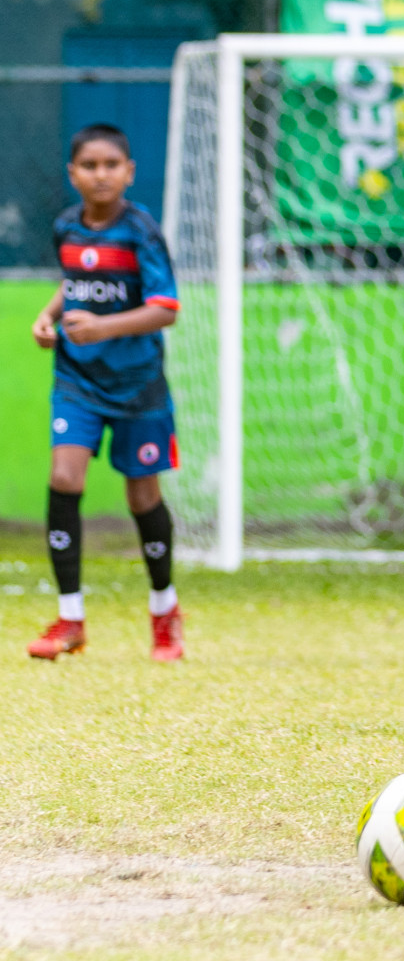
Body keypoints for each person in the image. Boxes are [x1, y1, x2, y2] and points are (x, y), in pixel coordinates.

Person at [27, 123, 185, 662]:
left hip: (138, 384)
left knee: (142, 493)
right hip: (77, 380)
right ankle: (70, 619)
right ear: (73, 173)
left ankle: (165, 610)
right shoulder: (67, 227)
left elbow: (165, 308)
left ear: (129, 172)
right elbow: (72, 282)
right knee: (64, 476)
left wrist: (103, 327)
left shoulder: (141, 230)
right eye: (89, 166)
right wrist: (48, 318)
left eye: (110, 165)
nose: (100, 174)